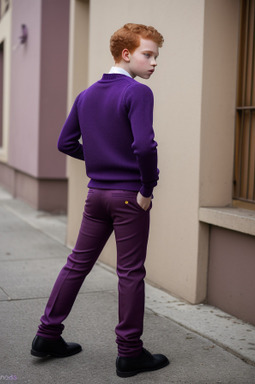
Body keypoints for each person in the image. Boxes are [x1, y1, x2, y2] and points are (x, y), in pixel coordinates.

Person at [31, 23, 169, 378]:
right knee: (130, 273)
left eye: (156, 56)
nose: (154, 63)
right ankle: (130, 352)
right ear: (126, 54)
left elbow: (65, 143)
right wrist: (147, 189)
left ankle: (47, 335)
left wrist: (97, 160)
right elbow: (143, 146)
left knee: (76, 264)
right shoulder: (137, 93)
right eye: (148, 55)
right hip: (128, 198)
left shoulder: (87, 95)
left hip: (97, 196)